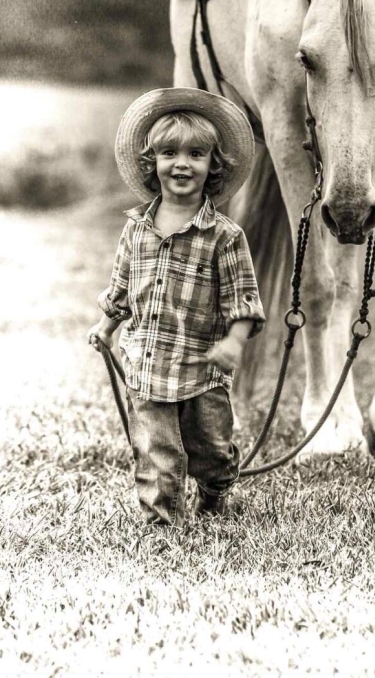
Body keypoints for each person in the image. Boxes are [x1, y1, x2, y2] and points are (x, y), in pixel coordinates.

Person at [88, 87, 265, 526]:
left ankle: (215, 490)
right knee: (155, 451)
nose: (182, 163)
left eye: (196, 154)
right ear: (152, 163)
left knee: (211, 450)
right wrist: (106, 327)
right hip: (147, 366)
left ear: (213, 166)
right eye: (169, 153)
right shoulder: (136, 230)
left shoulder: (224, 236)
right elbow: (121, 288)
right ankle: (160, 522)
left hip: (202, 369)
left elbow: (244, 299)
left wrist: (234, 343)